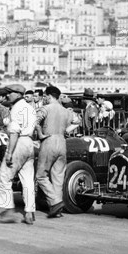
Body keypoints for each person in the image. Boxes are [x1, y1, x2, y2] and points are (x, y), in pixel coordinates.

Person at [36, 86, 79, 218]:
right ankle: (57, 208)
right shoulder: (66, 111)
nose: (44, 98)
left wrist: (40, 134)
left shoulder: (46, 108)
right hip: (62, 141)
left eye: (44, 96)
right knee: (58, 177)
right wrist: (67, 131)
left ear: (49, 96)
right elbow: (78, 121)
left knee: (41, 176)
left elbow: (35, 122)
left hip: (49, 140)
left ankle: (55, 202)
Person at [0, 85, 37, 225]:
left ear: (18, 94)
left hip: (18, 142)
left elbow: (14, 133)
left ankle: (8, 211)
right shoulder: (30, 108)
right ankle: (29, 212)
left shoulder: (16, 108)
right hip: (29, 143)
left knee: (3, 177)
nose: (7, 95)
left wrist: (9, 153)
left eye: (10, 93)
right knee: (28, 180)